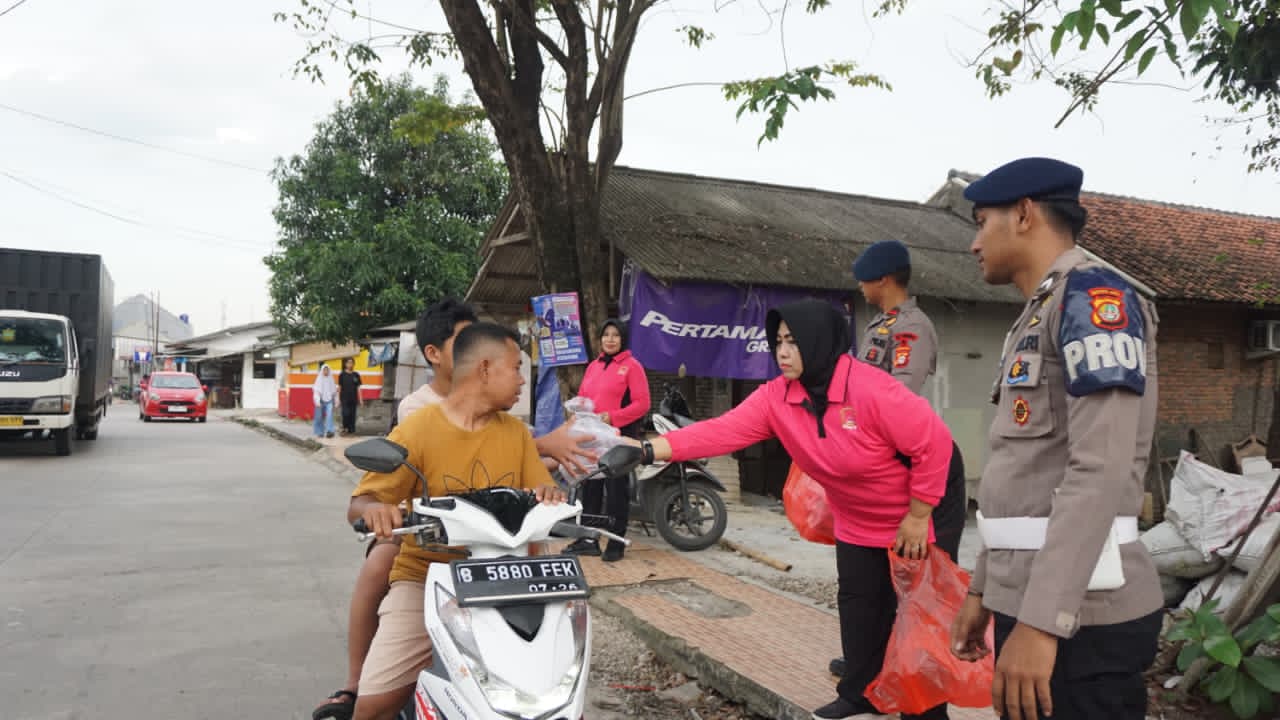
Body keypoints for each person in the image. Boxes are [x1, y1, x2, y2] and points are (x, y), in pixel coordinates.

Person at [630, 298, 954, 720]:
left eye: (793, 342)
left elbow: (935, 443)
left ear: (819, 341)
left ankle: (925, 711)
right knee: (859, 602)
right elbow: (721, 432)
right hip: (857, 513)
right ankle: (862, 694)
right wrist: (646, 450)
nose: (782, 352)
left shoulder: (871, 389)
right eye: (778, 342)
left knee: (918, 609)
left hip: (921, 502)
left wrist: (919, 515)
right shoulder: (777, 397)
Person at [948, 157, 1163, 720]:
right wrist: (982, 591)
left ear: (1024, 214)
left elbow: (1100, 469)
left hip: (1082, 618)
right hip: (1035, 601)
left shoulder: (1094, 300)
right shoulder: (1040, 310)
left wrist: (1043, 623)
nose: (974, 243)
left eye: (981, 222)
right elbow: (1023, 480)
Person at [314, 298, 597, 720]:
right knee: (372, 708)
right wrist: (376, 511)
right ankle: (357, 688)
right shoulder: (418, 428)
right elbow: (361, 503)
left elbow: (541, 488)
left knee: (552, 693)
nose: (523, 379)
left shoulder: (516, 434)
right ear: (484, 369)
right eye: (516, 368)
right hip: (428, 578)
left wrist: (549, 498)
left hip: (511, 581)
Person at [828, 240, 971, 692]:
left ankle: (924, 667)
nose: (860, 287)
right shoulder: (880, 324)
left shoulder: (912, 327)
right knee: (876, 574)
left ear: (884, 279)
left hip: (917, 458)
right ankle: (872, 660)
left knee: (922, 575)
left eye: (864, 279)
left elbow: (900, 392)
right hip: (883, 458)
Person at [563, 319, 650, 562]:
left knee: (615, 491)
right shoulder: (594, 366)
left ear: (623, 339)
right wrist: (577, 409)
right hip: (592, 437)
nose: (610, 339)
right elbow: (584, 396)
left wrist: (612, 417)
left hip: (617, 438)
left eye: (615, 335)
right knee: (590, 488)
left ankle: (615, 541)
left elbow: (642, 404)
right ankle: (589, 539)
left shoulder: (632, 366)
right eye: (606, 335)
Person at [338, 358, 363, 436]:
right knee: (345, 414)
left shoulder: (356, 375)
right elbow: (339, 387)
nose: (350, 364)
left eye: (351, 363)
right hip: (344, 398)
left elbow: (358, 388)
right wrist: (338, 399)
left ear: (353, 364)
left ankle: (351, 430)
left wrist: (360, 399)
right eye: (348, 363)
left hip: (353, 398)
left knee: (352, 415)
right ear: (345, 364)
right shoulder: (342, 375)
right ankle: (345, 428)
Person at [313, 365, 338, 438]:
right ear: (322, 371)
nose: (326, 371)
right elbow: (316, 391)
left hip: (329, 400)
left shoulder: (331, 379)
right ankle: (320, 432)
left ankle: (330, 431)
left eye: (327, 370)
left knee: (329, 415)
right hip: (320, 400)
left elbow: (334, 391)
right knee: (319, 417)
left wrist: (336, 401)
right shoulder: (319, 379)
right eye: (324, 370)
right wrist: (317, 401)